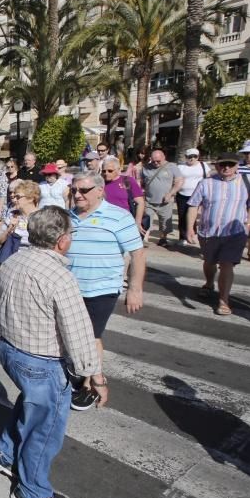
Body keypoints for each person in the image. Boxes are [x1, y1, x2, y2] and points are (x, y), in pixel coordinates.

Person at [0, 207, 106, 498]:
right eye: (71, 235)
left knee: (30, 405)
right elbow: (77, 331)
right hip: (42, 360)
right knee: (45, 427)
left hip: (11, 348)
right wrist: (95, 377)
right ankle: (31, 490)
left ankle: (5, 453)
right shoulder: (59, 276)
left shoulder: (14, 260)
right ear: (62, 240)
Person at [66, 172, 145, 410]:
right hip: (71, 288)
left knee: (91, 337)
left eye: (84, 190)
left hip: (102, 289)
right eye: (74, 190)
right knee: (72, 337)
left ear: (100, 191)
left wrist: (135, 288)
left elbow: (138, 253)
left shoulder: (119, 217)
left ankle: (92, 384)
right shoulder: (69, 217)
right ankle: (83, 372)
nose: (77, 194)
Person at [186, 152, 250, 316]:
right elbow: (193, 205)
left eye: (231, 164)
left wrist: (248, 225)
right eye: (222, 164)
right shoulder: (205, 184)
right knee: (209, 262)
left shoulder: (247, 182)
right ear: (216, 165)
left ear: (237, 166)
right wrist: (190, 228)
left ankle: (223, 300)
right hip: (209, 233)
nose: (226, 167)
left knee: (227, 264)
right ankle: (208, 283)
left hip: (235, 233)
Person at [141, 150, 184, 246]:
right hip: (149, 200)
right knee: (147, 220)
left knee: (165, 221)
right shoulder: (146, 168)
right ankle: (145, 239)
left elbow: (179, 181)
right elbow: (141, 181)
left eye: (158, 161)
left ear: (164, 157)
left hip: (165, 201)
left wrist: (171, 193)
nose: (155, 163)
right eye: (153, 161)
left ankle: (163, 238)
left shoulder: (172, 167)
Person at [101, 156, 146, 236]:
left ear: (118, 170)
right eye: (103, 171)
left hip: (124, 222)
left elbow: (140, 203)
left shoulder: (128, 181)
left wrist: (137, 222)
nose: (106, 173)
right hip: (104, 222)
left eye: (110, 171)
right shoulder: (99, 182)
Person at [0, 180, 39, 252]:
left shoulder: (42, 217)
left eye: (18, 197)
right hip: (12, 258)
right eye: (14, 196)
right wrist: (9, 229)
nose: (14, 199)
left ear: (31, 198)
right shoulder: (12, 215)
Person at [177, 148, 210, 246]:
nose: (192, 159)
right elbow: (176, 180)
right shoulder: (180, 167)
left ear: (198, 157)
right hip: (183, 195)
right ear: (186, 157)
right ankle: (183, 237)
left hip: (198, 196)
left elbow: (208, 179)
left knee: (195, 217)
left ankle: (193, 235)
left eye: (195, 156)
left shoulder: (203, 166)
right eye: (190, 157)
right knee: (182, 216)